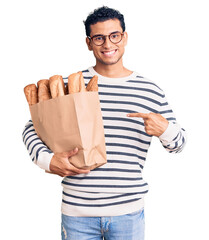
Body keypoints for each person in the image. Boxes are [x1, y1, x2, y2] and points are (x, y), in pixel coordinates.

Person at [22, 6, 186, 240]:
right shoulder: (72, 85)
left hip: (128, 212)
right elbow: (32, 127)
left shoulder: (149, 91)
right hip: (77, 212)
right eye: (99, 38)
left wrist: (166, 130)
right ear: (89, 43)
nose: (108, 45)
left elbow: (178, 144)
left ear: (125, 37)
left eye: (114, 36)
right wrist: (47, 160)